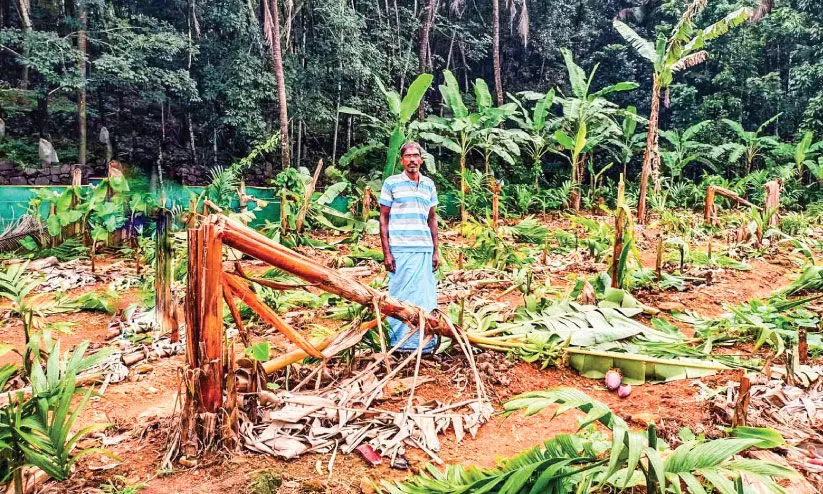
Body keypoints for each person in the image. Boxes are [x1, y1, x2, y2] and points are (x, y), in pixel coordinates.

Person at [378, 141, 439, 352]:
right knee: (399, 296)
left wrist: (435, 251)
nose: (412, 160)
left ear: (421, 160)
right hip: (400, 249)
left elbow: (432, 219)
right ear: (402, 160)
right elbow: (383, 219)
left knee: (424, 296)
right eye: (408, 156)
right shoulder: (392, 183)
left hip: (424, 248)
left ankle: (424, 342)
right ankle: (399, 343)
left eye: (416, 156)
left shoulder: (428, 185)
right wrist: (387, 253)